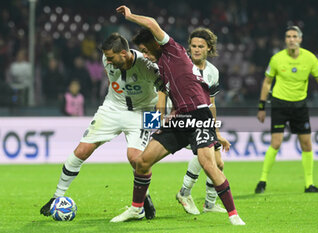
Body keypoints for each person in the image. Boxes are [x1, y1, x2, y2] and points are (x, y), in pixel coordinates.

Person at [111, 5, 245, 225]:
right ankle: (136, 209)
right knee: (143, 162)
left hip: (199, 116)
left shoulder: (172, 49)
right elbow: (162, 100)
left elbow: (153, 24)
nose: (144, 55)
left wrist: (130, 16)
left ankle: (234, 215)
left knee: (210, 165)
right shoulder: (161, 67)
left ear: (155, 44)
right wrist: (152, 125)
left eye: (145, 50)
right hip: (180, 118)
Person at [40, 32, 162, 220]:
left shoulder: (147, 66)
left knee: (136, 159)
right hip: (112, 108)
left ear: (124, 53)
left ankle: (143, 199)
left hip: (143, 112)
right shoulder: (107, 59)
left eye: (112, 57)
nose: (108, 61)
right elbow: (112, 77)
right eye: (107, 57)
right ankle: (56, 197)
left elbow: (164, 89)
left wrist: (158, 117)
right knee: (81, 151)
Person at [254, 26, 318, 194]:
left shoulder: (310, 59)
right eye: (288, 36)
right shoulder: (277, 59)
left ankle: (309, 184)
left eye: (294, 36)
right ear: (285, 40)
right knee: (275, 143)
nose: (291, 39)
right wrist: (262, 106)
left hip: (299, 106)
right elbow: (267, 82)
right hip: (279, 104)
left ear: (300, 39)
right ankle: (262, 181)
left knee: (306, 144)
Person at [175, 27, 230, 215]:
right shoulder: (181, 66)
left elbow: (211, 104)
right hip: (183, 119)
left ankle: (208, 203)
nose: (196, 49)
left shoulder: (213, 72)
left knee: (218, 164)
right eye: (193, 46)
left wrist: (217, 132)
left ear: (209, 48)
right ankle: (184, 193)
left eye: (201, 46)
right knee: (207, 157)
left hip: (202, 121)